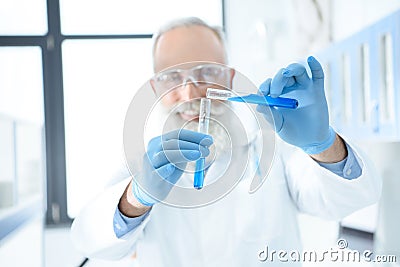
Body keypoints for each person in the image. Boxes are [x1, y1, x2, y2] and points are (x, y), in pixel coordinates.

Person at [71, 17, 381, 266]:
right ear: (155, 88)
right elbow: (90, 241)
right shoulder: (138, 167)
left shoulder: (272, 149)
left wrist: (320, 144)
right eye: (173, 77)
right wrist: (136, 199)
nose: (191, 94)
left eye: (207, 72)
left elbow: (353, 197)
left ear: (230, 79)